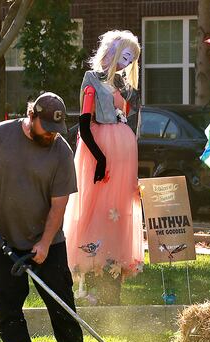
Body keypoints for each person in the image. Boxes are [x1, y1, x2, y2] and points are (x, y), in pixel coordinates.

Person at [0, 92, 91, 342]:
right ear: (31, 116)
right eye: (46, 127)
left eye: (55, 130)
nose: (51, 134)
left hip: (47, 241)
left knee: (60, 298)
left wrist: (46, 242)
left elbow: (58, 205)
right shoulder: (1, 134)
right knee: (6, 299)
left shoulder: (61, 151)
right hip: (4, 237)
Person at [63, 30, 144, 305]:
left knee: (118, 212)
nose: (125, 62)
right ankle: (94, 279)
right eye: (124, 55)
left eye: (130, 59)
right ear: (110, 52)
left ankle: (114, 275)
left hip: (122, 161)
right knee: (97, 211)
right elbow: (85, 124)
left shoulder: (122, 85)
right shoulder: (92, 82)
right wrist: (99, 158)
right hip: (101, 157)